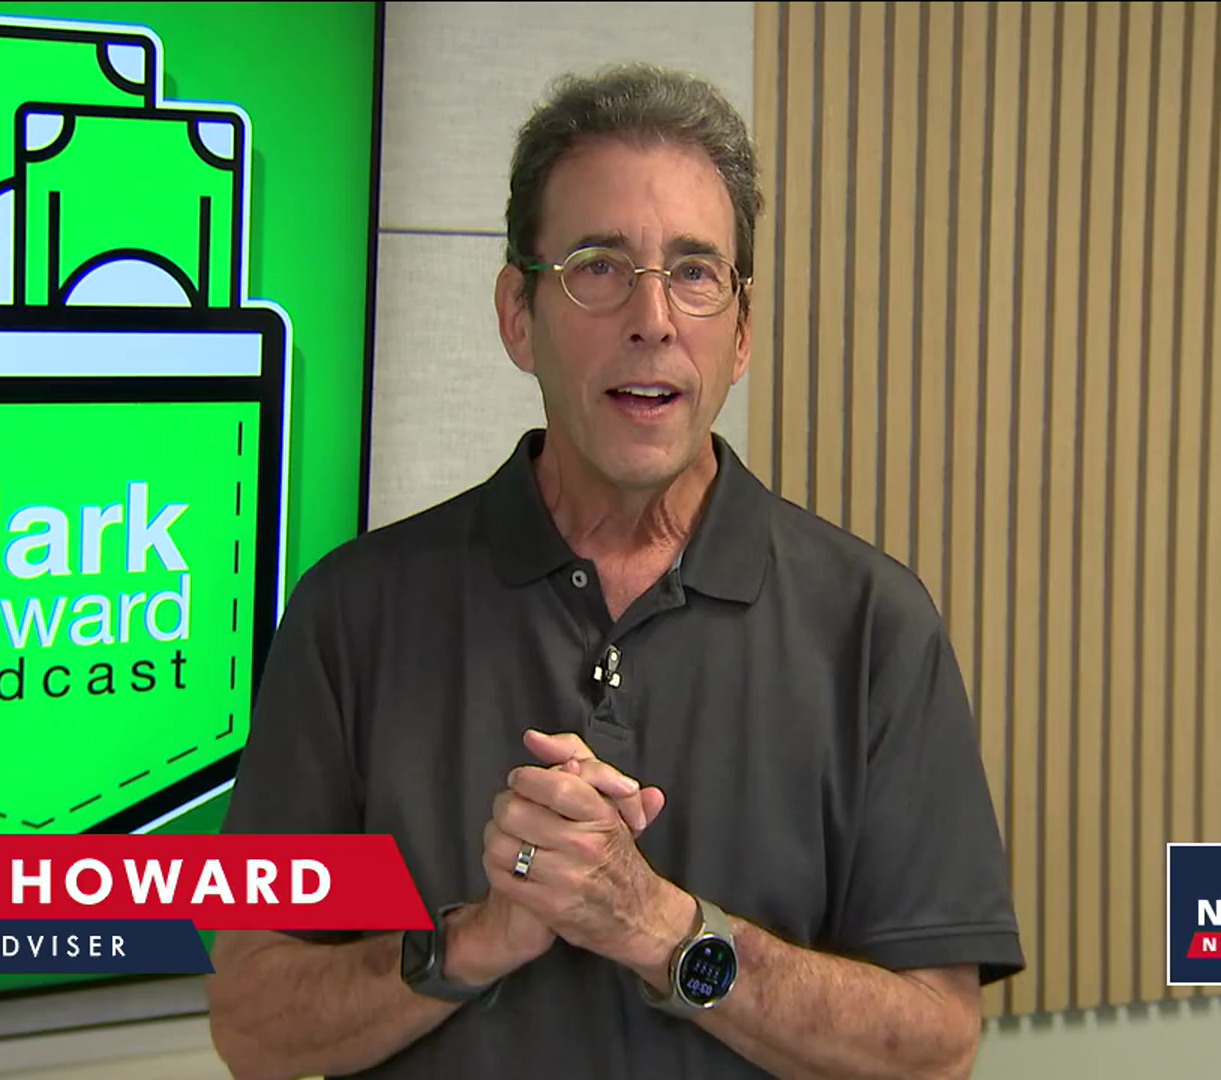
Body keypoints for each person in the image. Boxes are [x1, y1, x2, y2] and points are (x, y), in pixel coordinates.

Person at [208, 62, 1024, 1079]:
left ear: (741, 333)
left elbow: (936, 1048)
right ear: (518, 314)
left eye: (695, 272)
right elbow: (253, 1023)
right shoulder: (354, 613)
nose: (654, 318)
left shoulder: (873, 627)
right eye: (598, 266)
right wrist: (477, 939)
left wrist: (664, 932)